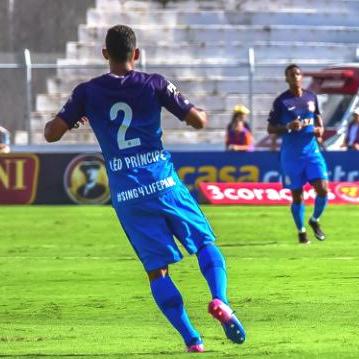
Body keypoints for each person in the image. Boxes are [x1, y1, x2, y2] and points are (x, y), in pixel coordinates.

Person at [42, 25, 245, 353]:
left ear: (105, 54)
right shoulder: (155, 83)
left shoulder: (87, 92)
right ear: (136, 54)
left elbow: (51, 133)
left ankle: (192, 339)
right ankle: (220, 300)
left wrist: (70, 118)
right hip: (164, 183)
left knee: (156, 270)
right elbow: (198, 121)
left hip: (128, 195)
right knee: (205, 243)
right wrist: (202, 113)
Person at [267, 64, 330, 244]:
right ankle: (301, 231)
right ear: (287, 79)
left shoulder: (311, 97)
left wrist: (321, 129)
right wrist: (287, 127)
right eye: (291, 75)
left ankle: (315, 220)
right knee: (297, 195)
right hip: (291, 155)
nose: (295, 76)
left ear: (302, 77)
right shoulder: (281, 102)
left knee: (323, 189)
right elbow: (270, 128)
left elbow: (317, 117)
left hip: (312, 152)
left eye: (298, 73)